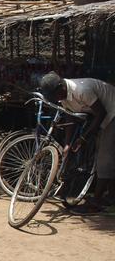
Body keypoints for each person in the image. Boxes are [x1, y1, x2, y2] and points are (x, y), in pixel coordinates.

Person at [39, 72, 115, 211]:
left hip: (112, 112)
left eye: (54, 96)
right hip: (100, 115)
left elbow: (101, 113)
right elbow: (70, 117)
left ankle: (96, 201)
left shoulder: (81, 90)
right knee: (103, 154)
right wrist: (67, 144)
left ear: (60, 88)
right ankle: (111, 195)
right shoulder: (62, 95)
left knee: (104, 158)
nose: (55, 99)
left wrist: (83, 138)